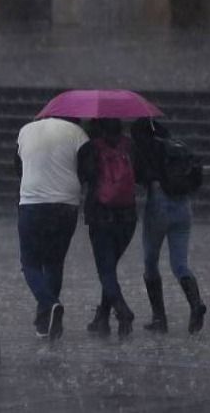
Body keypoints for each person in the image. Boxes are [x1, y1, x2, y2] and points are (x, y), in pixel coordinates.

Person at [15, 116, 92, 340]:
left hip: (32, 203)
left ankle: (50, 304)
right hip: (66, 204)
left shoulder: (25, 130)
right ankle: (44, 322)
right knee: (54, 262)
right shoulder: (78, 134)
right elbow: (88, 171)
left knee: (29, 263)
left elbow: (18, 167)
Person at [131, 118, 208, 334]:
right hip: (184, 207)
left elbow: (138, 177)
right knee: (180, 264)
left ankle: (159, 318)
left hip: (159, 206)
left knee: (150, 262)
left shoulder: (148, 149)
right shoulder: (177, 146)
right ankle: (195, 304)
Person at [79, 118, 138, 337]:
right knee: (110, 267)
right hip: (128, 216)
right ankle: (102, 317)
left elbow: (85, 176)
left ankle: (122, 310)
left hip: (101, 215)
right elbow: (137, 176)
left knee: (105, 270)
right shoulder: (129, 146)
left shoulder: (91, 148)